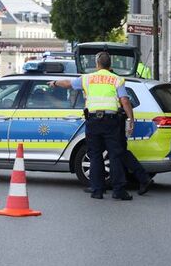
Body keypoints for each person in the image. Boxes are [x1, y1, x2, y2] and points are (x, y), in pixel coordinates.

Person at [50, 52, 134, 200]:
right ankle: (118, 191)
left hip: (93, 121)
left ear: (97, 64)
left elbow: (68, 83)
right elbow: (125, 101)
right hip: (111, 121)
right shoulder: (117, 79)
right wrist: (131, 120)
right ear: (110, 65)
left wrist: (55, 83)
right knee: (115, 155)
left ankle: (97, 190)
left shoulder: (87, 78)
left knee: (95, 155)